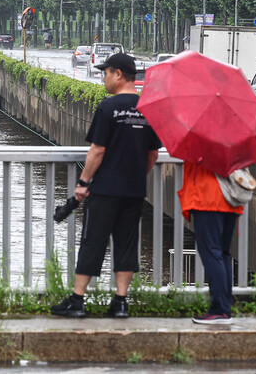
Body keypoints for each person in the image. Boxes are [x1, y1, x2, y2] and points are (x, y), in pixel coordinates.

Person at [51, 53, 162, 318]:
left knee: (93, 243)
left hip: (104, 190)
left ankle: (78, 301)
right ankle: (120, 303)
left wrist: (82, 182)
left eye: (106, 72)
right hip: (134, 191)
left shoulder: (107, 107)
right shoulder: (149, 108)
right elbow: (153, 155)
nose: (103, 78)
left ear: (119, 74)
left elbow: (97, 151)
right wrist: (137, 177)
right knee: (126, 245)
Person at [177, 163, 244, 325]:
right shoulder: (233, 138)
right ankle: (225, 308)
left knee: (212, 253)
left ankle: (219, 309)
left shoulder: (200, 140)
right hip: (230, 198)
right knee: (224, 253)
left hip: (206, 197)